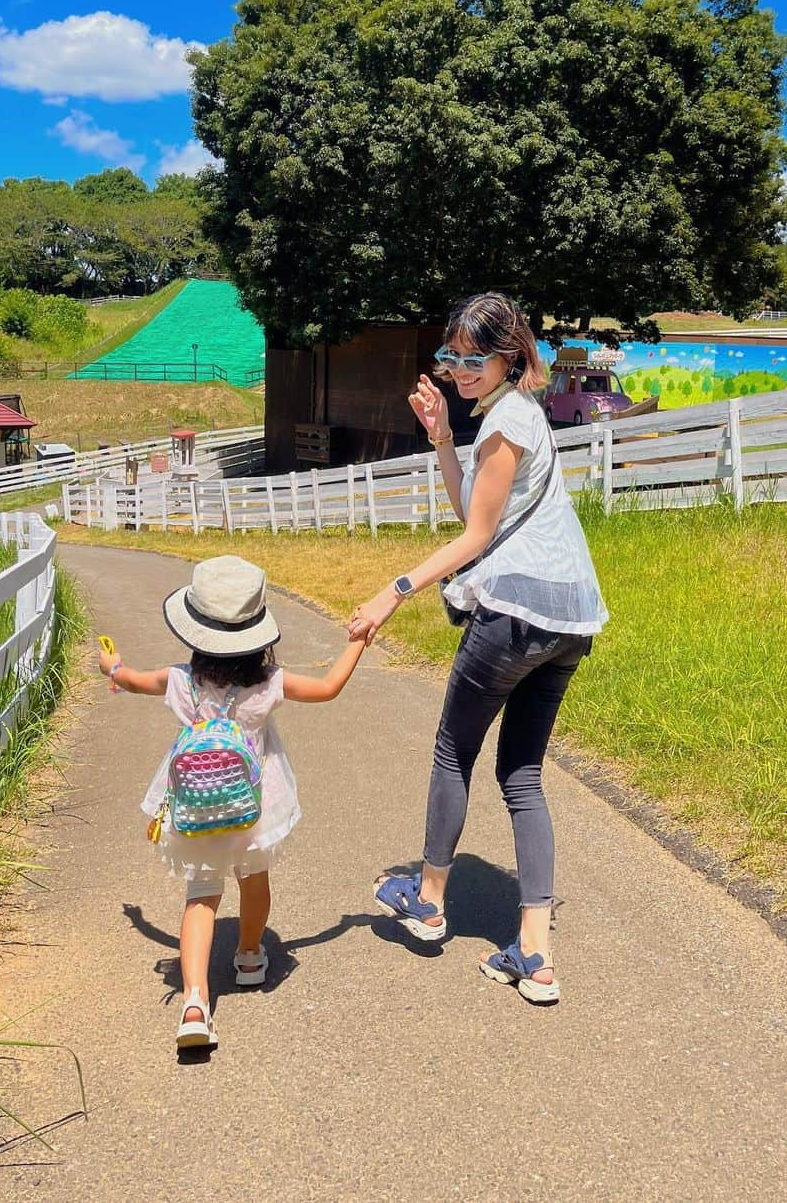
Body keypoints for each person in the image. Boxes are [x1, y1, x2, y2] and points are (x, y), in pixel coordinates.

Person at [350, 291, 607, 1005]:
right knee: (521, 775)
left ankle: (429, 902)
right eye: (450, 357)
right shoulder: (519, 417)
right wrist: (439, 440)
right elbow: (481, 514)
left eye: (475, 358)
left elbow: (473, 540)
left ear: (511, 357)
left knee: (452, 751)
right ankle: (535, 955)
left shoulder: (507, 422)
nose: (460, 370)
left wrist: (390, 592)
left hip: (515, 612)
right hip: (568, 620)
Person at [99, 555, 365, 1050]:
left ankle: (195, 1003)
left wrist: (112, 667)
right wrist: (356, 642)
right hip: (253, 806)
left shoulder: (180, 681)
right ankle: (247, 955)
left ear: (194, 631)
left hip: (196, 808)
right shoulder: (270, 684)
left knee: (201, 895)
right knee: (254, 881)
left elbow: (131, 679)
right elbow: (329, 687)